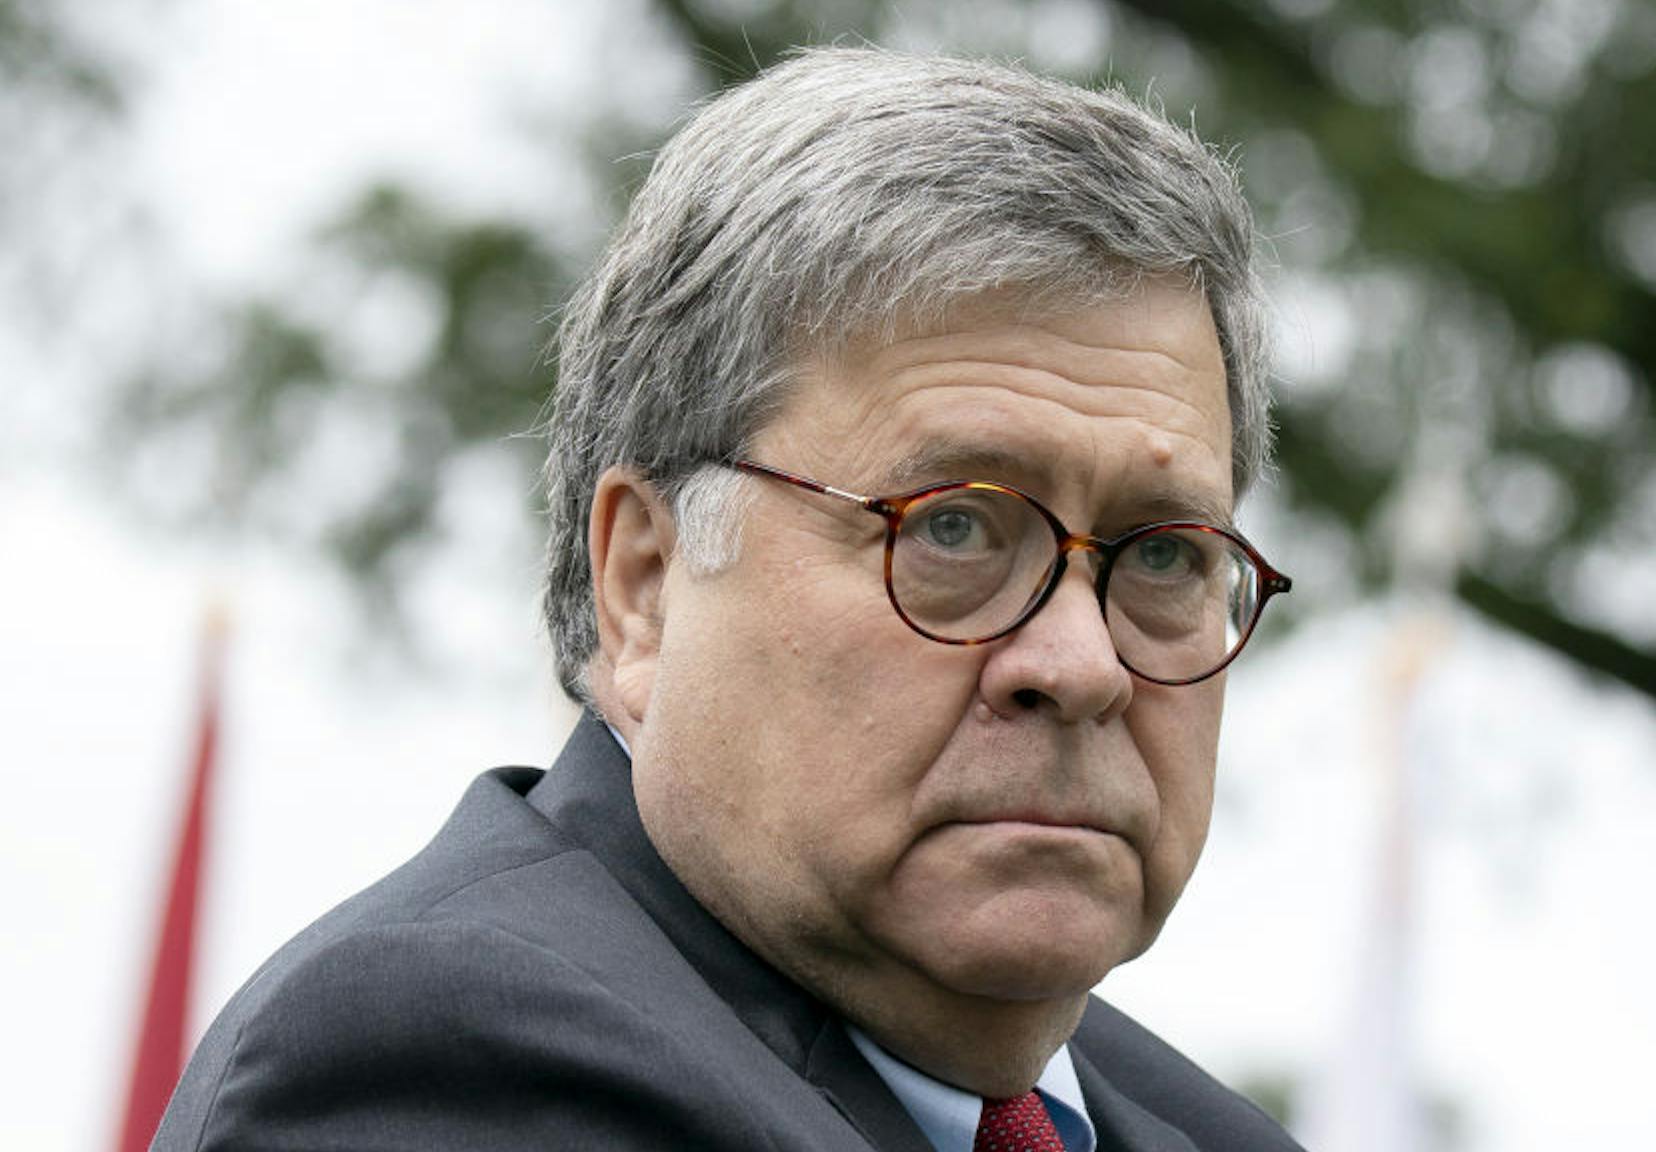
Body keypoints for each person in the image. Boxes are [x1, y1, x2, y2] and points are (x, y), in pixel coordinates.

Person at [154, 46, 1300, 1152]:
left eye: (1160, 556)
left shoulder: (1211, 1133)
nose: (1080, 664)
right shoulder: (440, 1059)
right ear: (644, 584)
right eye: (952, 528)